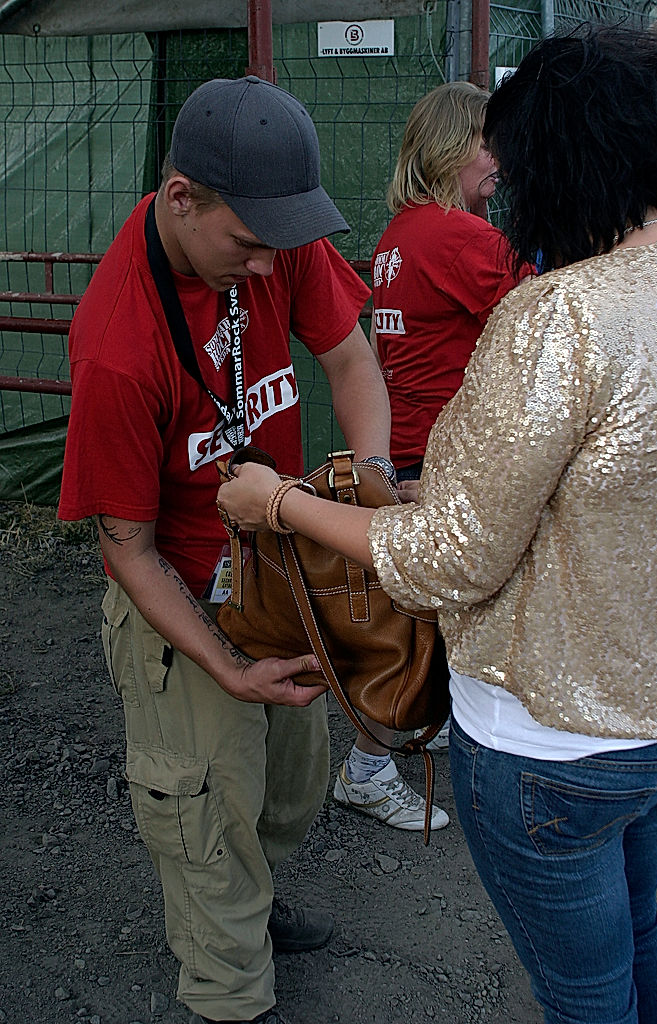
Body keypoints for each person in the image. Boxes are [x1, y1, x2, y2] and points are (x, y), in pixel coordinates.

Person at [218, 26, 657, 1024]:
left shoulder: (554, 316)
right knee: (639, 927)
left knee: (583, 991)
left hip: (548, 738)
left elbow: (443, 565)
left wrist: (281, 504)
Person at [58, 76, 394, 1024]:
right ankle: (227, 985)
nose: (266, 266)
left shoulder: (270, 236)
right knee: (202, 811)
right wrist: (223, 668)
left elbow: (351, 361)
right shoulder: (119, 345)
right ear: (179, 199)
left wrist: (362, 498)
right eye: (246, 245)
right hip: (180, 596)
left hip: (278, 568)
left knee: (289, 785)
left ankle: (249, 891)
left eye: (277, 244)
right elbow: (125, 546)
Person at [334, 82, 533, 827]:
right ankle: (365, 767)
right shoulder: (463, 237)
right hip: (441, 460)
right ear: (453, 148)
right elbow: (542, 323)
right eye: (489, 143)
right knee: (413, 628)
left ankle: (423, 726)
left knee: (421, 619)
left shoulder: (400, 233)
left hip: (410, 449)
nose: (501, 160)